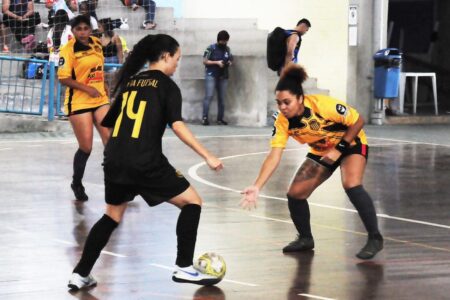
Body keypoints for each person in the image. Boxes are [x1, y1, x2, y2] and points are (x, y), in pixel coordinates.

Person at [67, 33, 225, 290]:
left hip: (116, 159)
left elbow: (108, 123)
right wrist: (207, 155)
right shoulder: (167, 86)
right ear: (165, 56)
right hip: (145, 160)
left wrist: (117, 155)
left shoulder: (131, 83)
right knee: (192, 202)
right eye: (177, 58)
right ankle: (184, 266)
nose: (176, 64)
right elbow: (178, 126)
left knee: (112, 215)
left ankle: (80, 274)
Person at [240, 63, 384, 260]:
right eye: (278, 102)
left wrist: (339, 148)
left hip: (351, 143)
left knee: (351, 184)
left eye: (287, 102)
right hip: (321, 150)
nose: (282, 107)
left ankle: (375, 238)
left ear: (300, 98)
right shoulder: (282, 122)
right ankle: (305, 239)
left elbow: (358, 120)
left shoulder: (323, 105)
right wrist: (257, 186)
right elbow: (274, 155)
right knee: (295, 194)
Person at [57, 15, 110, 201]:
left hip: (100, 99)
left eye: (85, 28)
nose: (82, 32)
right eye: (78, 29)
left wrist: (103, 85)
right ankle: (77, 183)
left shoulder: (96, 43)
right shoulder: (67, 50)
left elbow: (98, 69)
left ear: (90, 30)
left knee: (111, 142)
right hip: (78, 102)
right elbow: (63, 78)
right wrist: (87, 88)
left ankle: (116, 184)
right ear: (73, 31)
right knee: (86, 147)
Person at [201, 30, 233, 126]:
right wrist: (217, 62)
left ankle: (220, 119)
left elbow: (231, 59)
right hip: (211, 74)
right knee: (209, 96)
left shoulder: (227, 49)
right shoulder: (211, 48)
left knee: (222, 99)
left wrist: (229, 63)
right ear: (218, 40)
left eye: (226, 41)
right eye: (222, 41)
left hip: (223, 76)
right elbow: (205, 61)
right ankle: (205, 118)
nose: (224, 43)